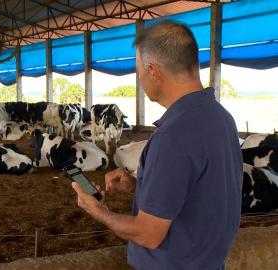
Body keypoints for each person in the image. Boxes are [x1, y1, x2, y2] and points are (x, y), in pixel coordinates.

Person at [71, 21, 243, 270]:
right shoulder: (222, 117)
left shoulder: (172, 136)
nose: (139, 78)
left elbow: (148, 234)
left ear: (153, 71)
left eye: (138, 69)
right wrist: (140, 187)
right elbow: (201, 193)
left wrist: (98, 210)